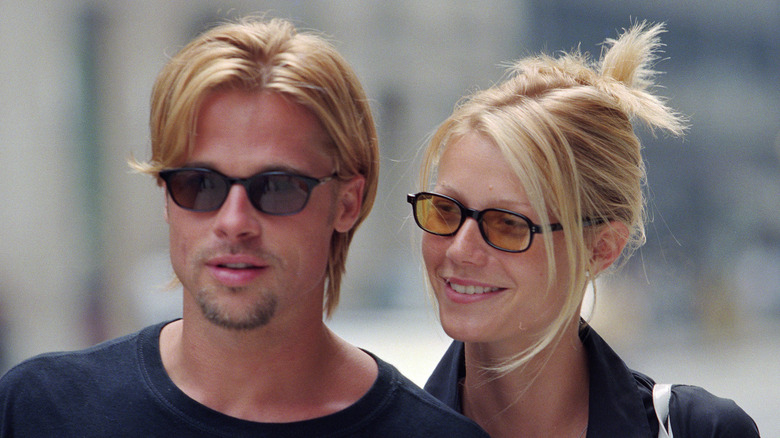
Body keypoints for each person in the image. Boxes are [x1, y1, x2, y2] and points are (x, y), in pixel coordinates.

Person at [0, 17, 488, 437]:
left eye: (276, 187)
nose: (234, 223)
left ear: (347, 202)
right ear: (166, 197)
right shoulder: (41, 411)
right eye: (200, 184)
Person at [408, 22, 760, 437]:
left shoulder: (698, 430)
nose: (460, 249)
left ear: (601, 248)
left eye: (507, 224)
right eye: (446, 211)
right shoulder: (377, 428)